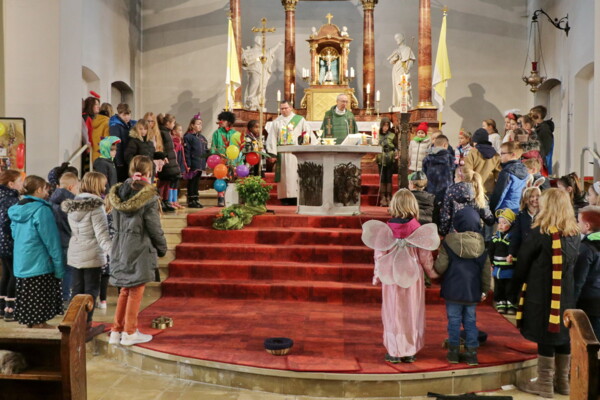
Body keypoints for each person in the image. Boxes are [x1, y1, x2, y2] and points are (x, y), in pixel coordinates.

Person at [511, 188, 580, 398]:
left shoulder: (541, 233)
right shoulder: (574, 233)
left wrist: (514, 289)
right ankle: (563, 382)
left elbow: (523, 262)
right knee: (563, 334)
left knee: (546, 335)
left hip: (541, 294)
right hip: (566, 294)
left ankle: (544, 383)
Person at [107, 155, 167, 346]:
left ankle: (117, 330)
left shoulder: (119, 193)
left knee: (125, 288)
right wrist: (162, 246)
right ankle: (130, 332)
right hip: (139, 246)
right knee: (136, 290)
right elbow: (154, 226)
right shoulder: (147, 197)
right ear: (149, 173)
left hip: (120, 245)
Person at [373, 189, 437, 363]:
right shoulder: (418, 229)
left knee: (393, 311)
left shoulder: (385, 230)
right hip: (412, 275)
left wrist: (377, 276)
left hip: (392, 276)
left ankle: (394, 350)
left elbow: (379, 256)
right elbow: (425, 256)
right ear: (413, 206)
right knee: (412, 310)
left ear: (394, 205)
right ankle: (409, 350)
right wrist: (431, 272)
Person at [434, 207, 491, 365]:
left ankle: (453, 353)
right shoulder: (482, 245)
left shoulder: (449, 241)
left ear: (457, 223)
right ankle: (472, 353)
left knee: (453, 321)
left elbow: (440, 267)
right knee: (470, 322)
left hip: (452, 290)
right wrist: (485, 289)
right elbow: (486, 272)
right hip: (472, 291)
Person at [8, 176, 64, 328]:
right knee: (40, 297)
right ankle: (40, 324)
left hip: (22, 260)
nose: (47, 192)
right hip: (39, 261)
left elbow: (13, 233)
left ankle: (32, 323)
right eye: (46, 189)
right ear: (39, 190)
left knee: (27, 296)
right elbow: (51, 240)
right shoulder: (41, 210)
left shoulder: (17, 208)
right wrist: (59, 266)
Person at [62, 172, 111, 341]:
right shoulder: (96, 206)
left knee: (77, 291)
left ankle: (75, 324)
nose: (105, 188)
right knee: (90, 292)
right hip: (91, 253)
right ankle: (86, 327)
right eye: (103, 185)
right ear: (97, 186)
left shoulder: (73, 204)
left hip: (75, 251)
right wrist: (115, 253)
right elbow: (102, 235)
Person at [266, 101, 310, 206]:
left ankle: (295, 198)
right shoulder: (277, 122)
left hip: (295, 153)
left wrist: (304, 143)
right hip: (282, 153)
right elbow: (272, 137)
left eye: (286, 108)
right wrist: (273, 153)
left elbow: (307, 133)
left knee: (295, 175)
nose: (284, 111)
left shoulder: (300, 120)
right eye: (282, 109)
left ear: (291, 108)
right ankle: (284, 198)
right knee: (284, 177)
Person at [48, 172, 79, 308]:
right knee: (68, 270)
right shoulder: (71, 203)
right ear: (71, 187)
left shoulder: (50, 201)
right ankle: (65, 297)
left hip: (53, 240)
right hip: (67, 240)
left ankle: (54, 298)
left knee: (55, 270)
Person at [438, 166, 493, 237]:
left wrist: (442, 231)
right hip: (474, 234)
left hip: (454, 234)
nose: (454, 179)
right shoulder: (477, 190)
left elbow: (446, 215)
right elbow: (486, 215)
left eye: (455, 176)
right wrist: (491, 220)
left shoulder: (451, 191)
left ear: (460, 178)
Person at [573, 206, 600, 340]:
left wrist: (571, 304)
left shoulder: (586, 248)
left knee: (588, 341)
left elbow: (578, 279)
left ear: (587, 226)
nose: (577, 224)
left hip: (588, 302)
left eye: (579, 221)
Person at [0, 170, 23, 321]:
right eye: (20, 181)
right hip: (9, 242)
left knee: (6, 274)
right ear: (11, 184)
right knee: (14, 274)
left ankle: (2, 307)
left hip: (2, 243)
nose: (22, 184)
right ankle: (11, 309)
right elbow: (8, 223)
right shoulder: (11, 200)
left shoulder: (4, 197)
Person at [241, 36, 282, 111]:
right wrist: (255, 59)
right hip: (254, 69)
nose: (262, 42)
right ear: (256, 41)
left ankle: (258, 103)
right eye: (261, 40)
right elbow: (245, 61)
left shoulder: (263, 51)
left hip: (262, 70)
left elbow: (270, 52)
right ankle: (250, 100)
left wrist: (278, 45)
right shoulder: (250, 51)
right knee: (255, 82)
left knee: (261, 86)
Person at [489, 208, 517, 315]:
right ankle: (501, 302)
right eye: (499, 222)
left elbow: (515, 250)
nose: (500, 225)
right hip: (498, 269)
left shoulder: (512, 238)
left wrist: (513, 258)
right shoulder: (495, 237)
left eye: (504, 223)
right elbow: (491, 252)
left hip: (509, 268)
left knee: (510, 287)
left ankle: (511, 303)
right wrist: (491, 263)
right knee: (499, 286)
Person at [489, 141, 529, 213]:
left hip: (503, 210)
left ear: (513, 154)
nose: (500, 156)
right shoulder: (524, 169)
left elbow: (499, 194)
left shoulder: (507, 172)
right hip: (516, 208)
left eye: (502, 153)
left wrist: (491, 210)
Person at [508, 185, 542, 264]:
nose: (535, 198)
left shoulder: (544, 214)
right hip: (525, 252)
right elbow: (516, 235)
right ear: (526, 200)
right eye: (532, 196)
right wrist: (511, 252)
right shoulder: (521, 215)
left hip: (540, 253)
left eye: (538, 196)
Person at [463, 128, 500, 197]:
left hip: (475, 189)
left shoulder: (472, 153)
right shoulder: (496, 155)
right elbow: (498, 175)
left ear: (476, 142)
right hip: (489, 189)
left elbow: (468, 172)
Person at [157, 113, 182, 210]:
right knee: (164, 182)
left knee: (168, 181)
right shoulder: (163, 132)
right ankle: (162, 200)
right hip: (166, 161)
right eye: (173, 123)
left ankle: (167, 201)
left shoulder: (166, 132)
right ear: (167, 123)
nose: (173, 125)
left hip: (170, 160)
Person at [185, 114, 208, 208]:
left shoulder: (202, 138)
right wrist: (188, 164)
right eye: (198, 124)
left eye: (201, 124)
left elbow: (205, 150)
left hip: (200, 164)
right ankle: (191, 200)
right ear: (192, 125)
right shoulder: (188, 137)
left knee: (196, 182)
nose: (200, 126)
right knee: (192, 182)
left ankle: (196, 199)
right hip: (193, 164)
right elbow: (187, 151)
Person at [388, 33, 415, 109]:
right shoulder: (396, 50)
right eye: (396, 38)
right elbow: (391, 61)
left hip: (403, 70)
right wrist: (396, 56)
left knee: (402, 87)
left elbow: (411, 61)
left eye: (398, 37)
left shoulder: (407, 49)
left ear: (403, 38)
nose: (397, 40)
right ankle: (397, 104)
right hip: (396, 70)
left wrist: (408, 68)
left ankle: (404, 103)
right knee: (396, 87)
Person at [109, 103, 135, 182]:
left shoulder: (130, 124)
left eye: (128, 114)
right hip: (120, 160)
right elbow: (117, 144)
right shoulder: (115, 126)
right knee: (121, 180)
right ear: (119, 114)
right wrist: (119, 161)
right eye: (124, 115)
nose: (127, 117)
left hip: (127, 157)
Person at [375, 117, 396, 207]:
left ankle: (389, 196)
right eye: (384, 125)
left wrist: (396, 153)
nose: (385, 127)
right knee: (382, 177)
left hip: (390, 157)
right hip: (381, 157)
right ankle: (382, 197)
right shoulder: (377, 135)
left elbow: (396, 146)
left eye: (387, 126)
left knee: (389, 177)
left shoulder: (392, 135)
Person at [530, 105, 554, 175]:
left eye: (532, 115)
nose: (531, 117)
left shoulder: (544, 129)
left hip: (543, 157)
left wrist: (541, 157)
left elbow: (546, 146)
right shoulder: (538, 127)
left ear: (539, 115)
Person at [82, 96, 100, 173]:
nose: (98, 106)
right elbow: (87, 134)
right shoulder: (86, 117)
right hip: (88, 151)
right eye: (96, 104)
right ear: (90, 105)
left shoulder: (94, 118)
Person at [171, 123, 187, 208]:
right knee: (172, 184)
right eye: (179, 130)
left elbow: (182, 156)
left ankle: (175, 201)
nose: (181, 132)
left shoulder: (180, 141)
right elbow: (175, 154)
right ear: (174, 131)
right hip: (174, 166)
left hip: (179, 166)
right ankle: (171, 201)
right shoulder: (174, 142)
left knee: (176, 184)